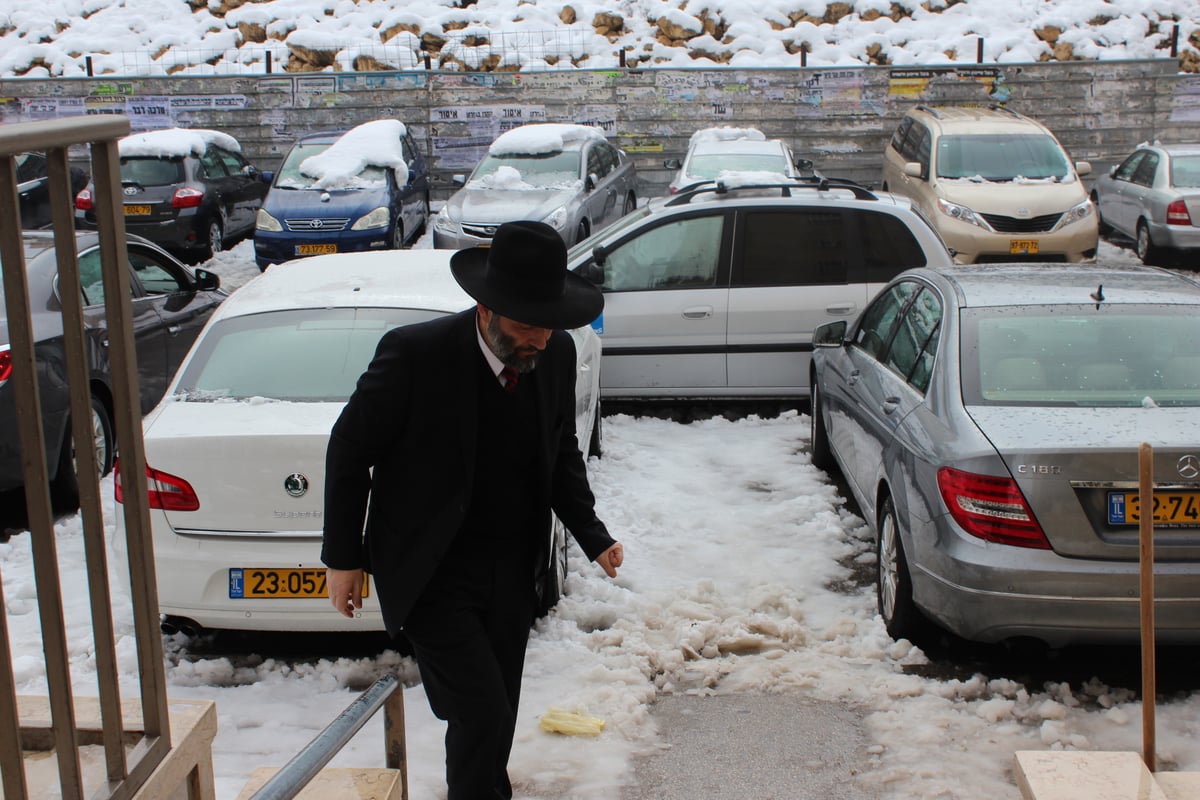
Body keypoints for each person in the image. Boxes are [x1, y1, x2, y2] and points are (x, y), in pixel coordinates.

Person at [321, 219, 624, 800]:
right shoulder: (416, 355)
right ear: (486, 309)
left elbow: (559, 452)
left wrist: (590, 532)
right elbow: (350, 449)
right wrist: (343, 557)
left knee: (496, 714)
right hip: (432, 572)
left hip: (513, 570)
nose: (539, 337)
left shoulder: (555, 354)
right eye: (526, 323)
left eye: (548, 323)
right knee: (481, 710)